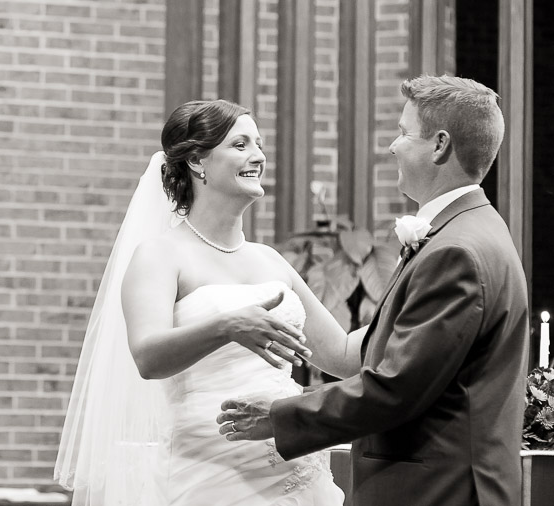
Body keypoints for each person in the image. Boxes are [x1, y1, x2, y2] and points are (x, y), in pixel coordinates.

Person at [218, 75, 529, 506]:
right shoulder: (467, 230)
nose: (392, 146)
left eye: (403, 133)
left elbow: (395, 388)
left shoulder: (455, 251)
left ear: (439, 145)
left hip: (437, 491)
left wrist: (279, 414)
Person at [56, 100, 355, 506]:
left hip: (295, 468)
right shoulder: (160, 255)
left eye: (260, 144)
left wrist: (408, 298)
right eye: (241, 144)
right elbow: (148, 357)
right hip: (211, 471)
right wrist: (226, 326)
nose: (259, 156)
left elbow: (341, 356)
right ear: (197, 160)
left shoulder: (270, 259)